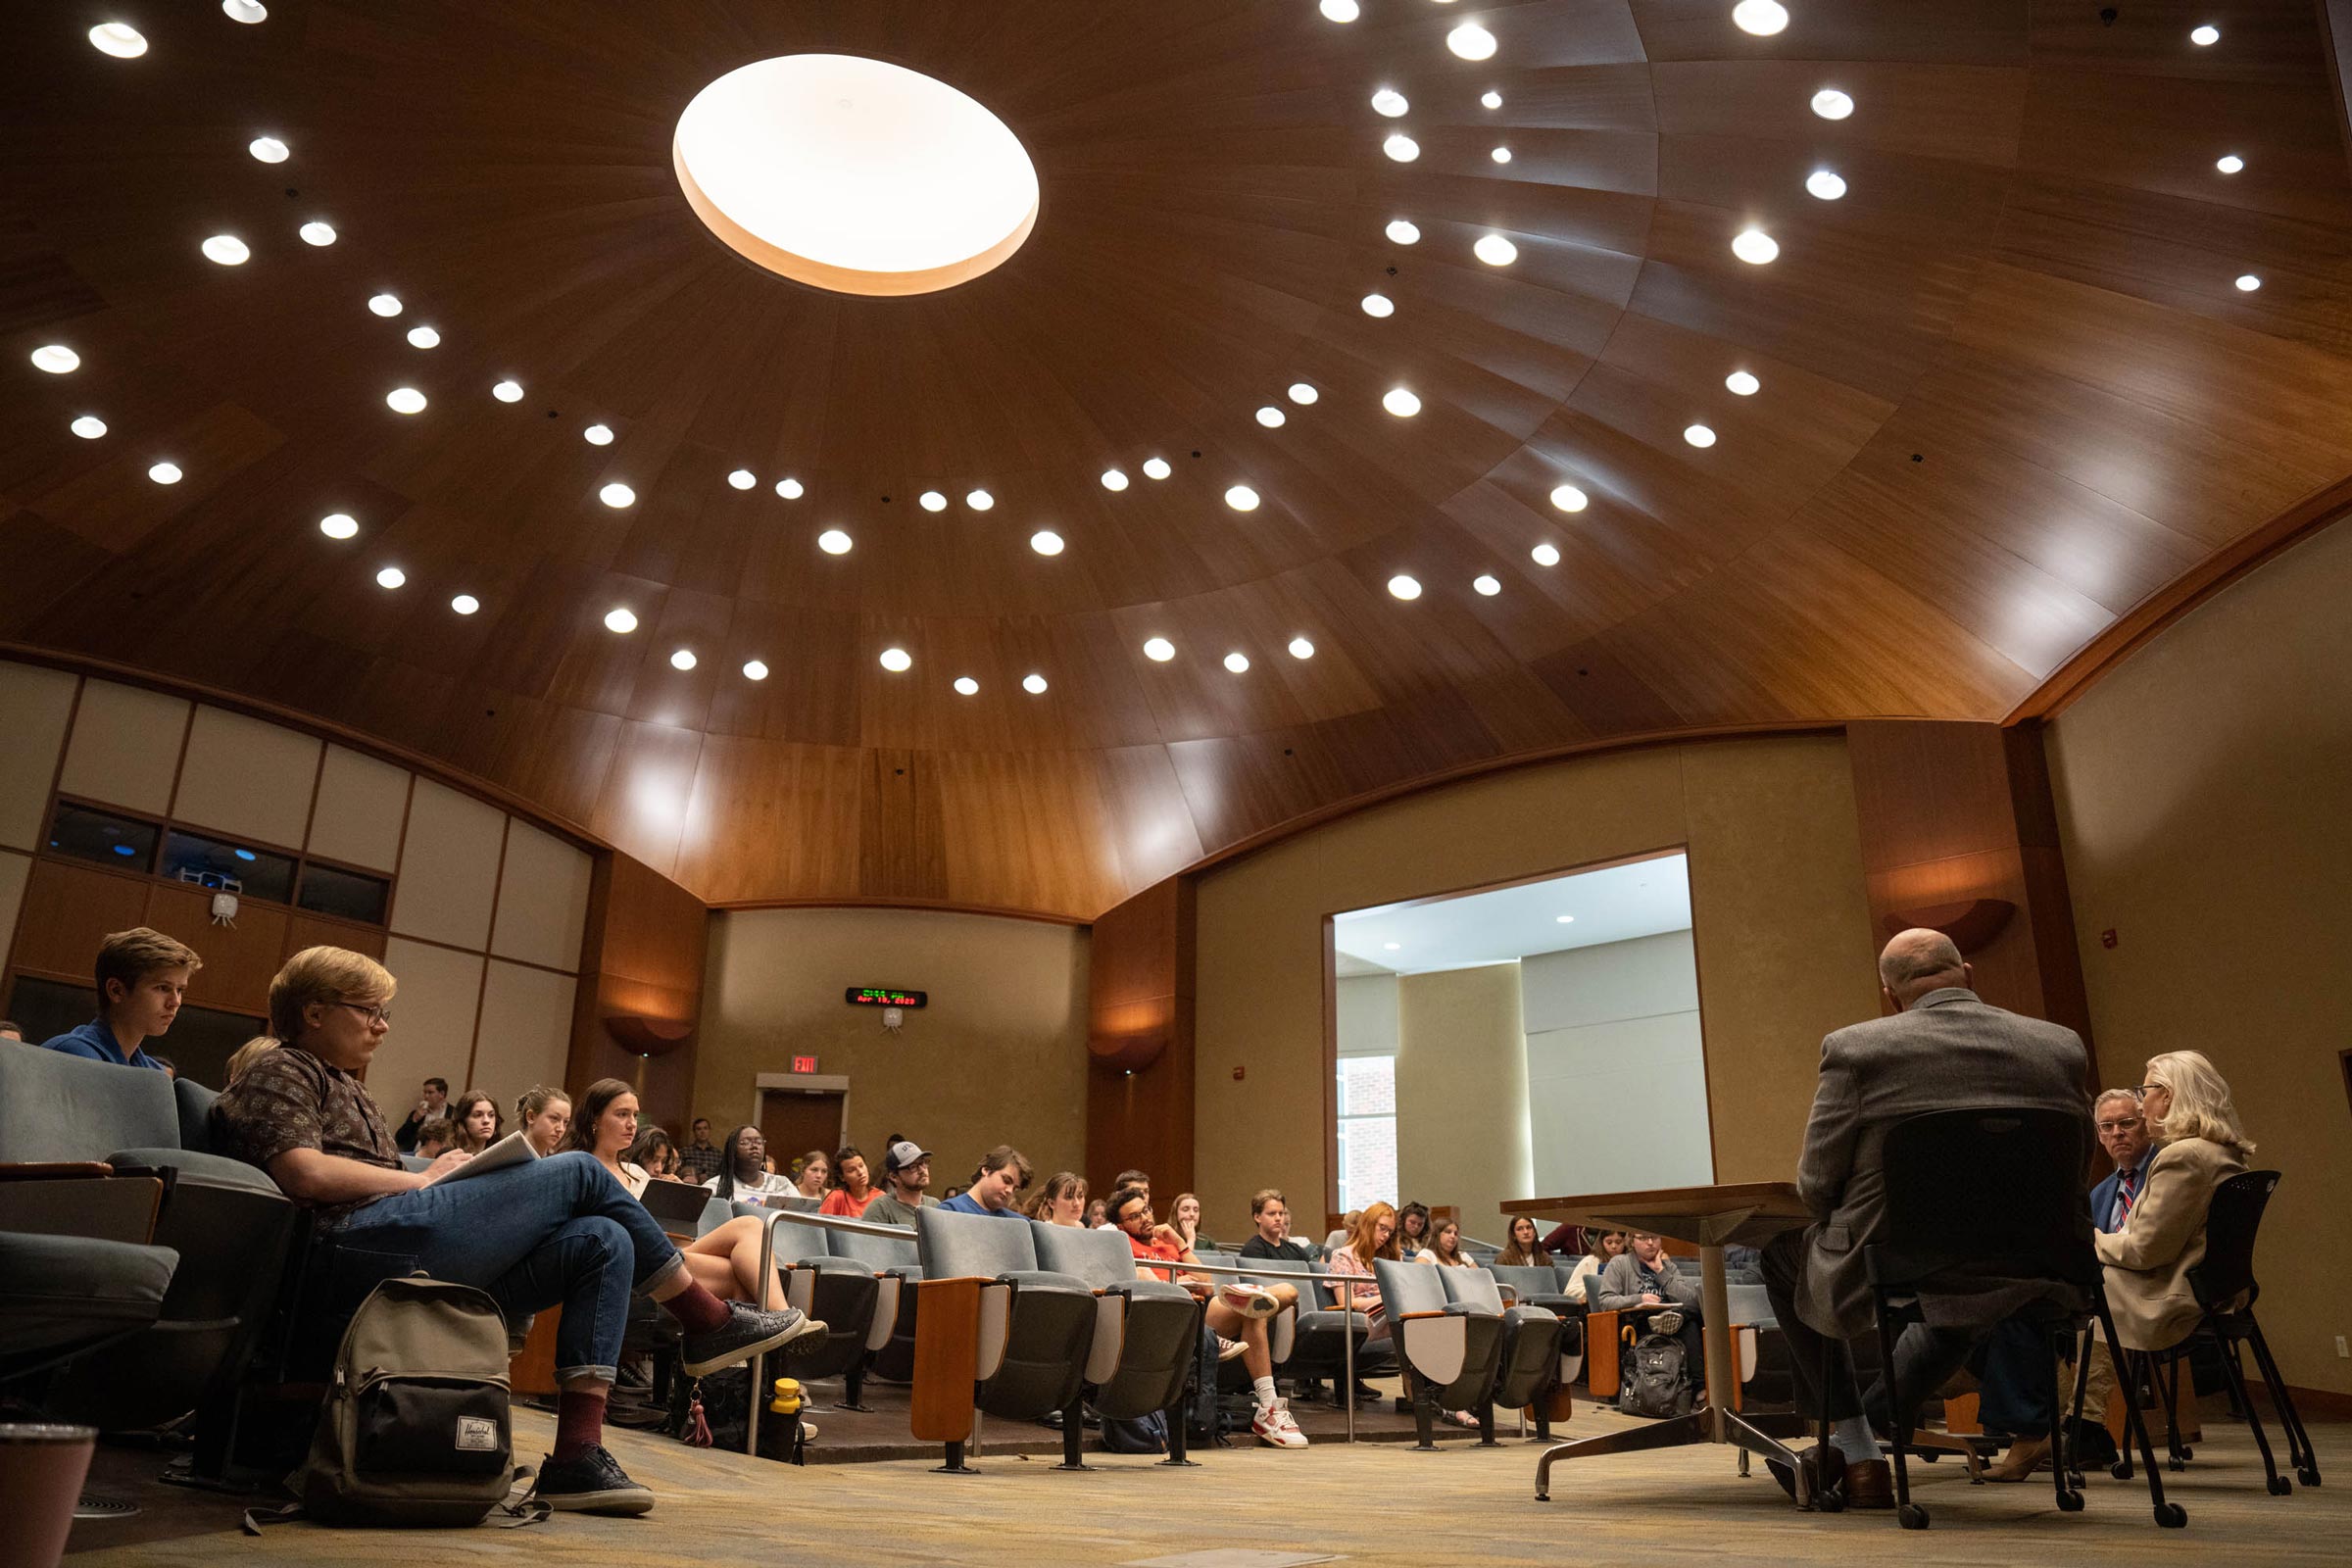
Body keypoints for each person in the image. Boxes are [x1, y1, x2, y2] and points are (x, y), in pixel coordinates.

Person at [212, 947, 822, 1515]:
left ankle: (578, 1455)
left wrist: (442, 1179)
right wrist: (424, 1183)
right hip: (349, 1251)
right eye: (369, 1011)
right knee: (581, 1169)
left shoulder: (351, 1087)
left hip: (392, 1239)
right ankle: (705, 1320)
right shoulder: (284, 1067)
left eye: (384, 1012)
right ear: (314, 1012)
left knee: (601, 1241)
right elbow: (301, 1171)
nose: (383, 1025)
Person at [1756, 928, 2093, 1511]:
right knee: (1967, 1291)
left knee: (1780, 1256)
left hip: (1902, 1259)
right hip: (2040, 1262)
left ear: (1889, 993)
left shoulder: (1857, 1049)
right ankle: (1870, 1428)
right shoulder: (2060, 1045)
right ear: (1967, 971)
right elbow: (2078, 1165)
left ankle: (1856, 1448)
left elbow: (1815, 1187)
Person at [572, 1079, 804, 1311]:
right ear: (595, 1119)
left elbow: (679, 1237)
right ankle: (783, 1322)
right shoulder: (580, 1168)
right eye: (622, 1114)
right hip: (629, 1258)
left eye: (634, 1115)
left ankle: (779, 1322)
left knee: (750, 1225)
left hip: (664, 1252)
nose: (632, 1124)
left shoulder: (636, 1172)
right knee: (737, 1270)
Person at [1107, 1186, 1305, 1448]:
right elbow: (1149, 1282)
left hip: (1204, 1307)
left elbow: (1208, 1285)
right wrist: (1182, 1282)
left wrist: (1179, 1242)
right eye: (1134, 1216)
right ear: (1121, 1226)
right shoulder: (1123, 1246)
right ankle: (1269, 1406)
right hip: (1171, 1315)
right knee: (1254, 1309)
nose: (1145, 1217)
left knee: (1282, 1294)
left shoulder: (1168, 1244)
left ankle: (1266, 1403)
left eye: (1146, 1210)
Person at [2097, 1054, 2255, 1353]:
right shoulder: (2225, 1153)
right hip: (2222, 1291)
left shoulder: (2183, 1157)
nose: (2141, 1107)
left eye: (2144, 1093)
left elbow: (2144, 1251)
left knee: (2079, 1289)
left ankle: (2084, 1401)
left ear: (2167, 1096)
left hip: (2174, 1297)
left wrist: (2090, 1241)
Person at [37, 926, 200, 1071]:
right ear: (116, 991)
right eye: (162, 988)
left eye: (179, 990)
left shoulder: (153, 1072)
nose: (176, 1001)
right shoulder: (74, 1054)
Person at [1597, 1231, 1706, 1403]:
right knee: (1687, 1320)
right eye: (1643, 1238)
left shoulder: (1668, 1266)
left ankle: (1669, 1321)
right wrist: (1639, 1299)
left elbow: (1689, 1301)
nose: (1650, 1243)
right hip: (1638, 1321)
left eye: (1654, 1238)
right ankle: (1700, 1389)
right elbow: (1606, 1301)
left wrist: (1660, 1271)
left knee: (1691, 1315)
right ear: (1632, 1242)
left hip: (1674, 1320)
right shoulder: (1619, 1263)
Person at [707, 1127, 795, 1201]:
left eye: (759, 1142)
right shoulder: (716, 1186)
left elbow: (802, 1217)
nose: (754, 1146)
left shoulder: (782, 1184)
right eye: (745, 1142)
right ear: (732, 1150)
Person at [938, 1147, 1030, 1216]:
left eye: (1015, 1189)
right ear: (986, 1170)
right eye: (1006, 1180)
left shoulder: (1018, 1223)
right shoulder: (951, 1211)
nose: (1009, 1191)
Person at [1238, 1190, 1314, 1264]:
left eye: (1281, 1213)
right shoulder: (1252, 1250)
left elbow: (1313, 1274)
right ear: (1257, 1217)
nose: (1278, 1218)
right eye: (1272, 1213)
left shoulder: (1295, 1249)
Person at [817, 1144, 879, 1215]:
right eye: (852, 1170)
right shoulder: (836, 1198)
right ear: (842, 1177)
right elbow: (821, 1225)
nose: (860, 1172)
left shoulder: (880, 1197)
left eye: (861, 1166)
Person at [1566, 1230, 1625, 1304]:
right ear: (1601, 1242)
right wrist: (1595, 1291)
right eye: (1609, 1242)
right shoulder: (1590, 1261)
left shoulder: (1630, 1261)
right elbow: (1570, 1291)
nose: (1614, 1246)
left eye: (1618, 1242)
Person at [395, 1076, 449, 1152]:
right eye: (425, 1092)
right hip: (416, 1153)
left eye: (430, 1092)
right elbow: (400, 1138)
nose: (426, 1096)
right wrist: (414, 1120)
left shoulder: (453, 1114)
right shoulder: (418, 1113)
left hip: (440, 1156)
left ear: (442, 1094)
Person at [516, 1086, 572, 1156]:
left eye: (565, 1122)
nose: (561, 1129)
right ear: (531, 1117)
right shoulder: (507, 1159)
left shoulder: (560, 1163)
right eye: (554, 1118)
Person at [449, 1090, 503, 1154]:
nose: (486, 1120)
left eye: (491, 1115)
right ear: (463, 1120)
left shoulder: (502, 1153)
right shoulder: (450, 1154)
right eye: (478, 1115)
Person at [678, 1118, 723, 1184]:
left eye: (705, 1128)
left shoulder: (718, 1155)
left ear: (709, 1130)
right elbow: (678, 1173)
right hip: (690, 1188)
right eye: (699, 1129)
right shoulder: (684, 1152)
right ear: (694, 1132)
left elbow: (722, 1176)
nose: (702, 1132)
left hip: (712, 1189)